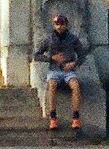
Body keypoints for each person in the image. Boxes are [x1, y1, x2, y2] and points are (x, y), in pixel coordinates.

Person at [34, 7, 90, 136]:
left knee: (75, 86)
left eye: (62, 24)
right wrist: (50, 58)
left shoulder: (73, 39)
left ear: (66, 25)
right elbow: (36, 55)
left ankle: (75, 117)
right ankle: (53, 117)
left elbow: (82, 55)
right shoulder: (48, 39)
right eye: (57, 24)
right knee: (52, 85)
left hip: (69, 70)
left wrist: (74, 63)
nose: (59, 27)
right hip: (54, 70)